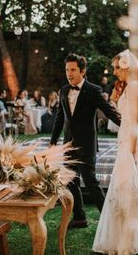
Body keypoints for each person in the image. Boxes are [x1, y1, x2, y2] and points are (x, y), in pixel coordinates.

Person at [92, 50, 138, 255]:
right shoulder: (133, 86)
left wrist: (131, 152)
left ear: (127, 67)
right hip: (129, 138)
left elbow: (135, 121)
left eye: (117, 67)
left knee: (129, 189)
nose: (114, 71)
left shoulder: (135, 87)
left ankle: (133, 237)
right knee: (128, 187)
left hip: (132, 141)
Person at [50, 53, 121, 228]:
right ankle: (80, 217)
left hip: (86, 145)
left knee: (90, 181)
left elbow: (108, 110)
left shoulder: (93, 90)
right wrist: (53, 142)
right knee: (71, 181)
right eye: (67, 70)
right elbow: (60, 118)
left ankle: (109, 220)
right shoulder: (64, 90)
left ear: (82, 71)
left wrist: (126, 124)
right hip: (68, 144)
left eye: (73, 69)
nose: (69, 73)